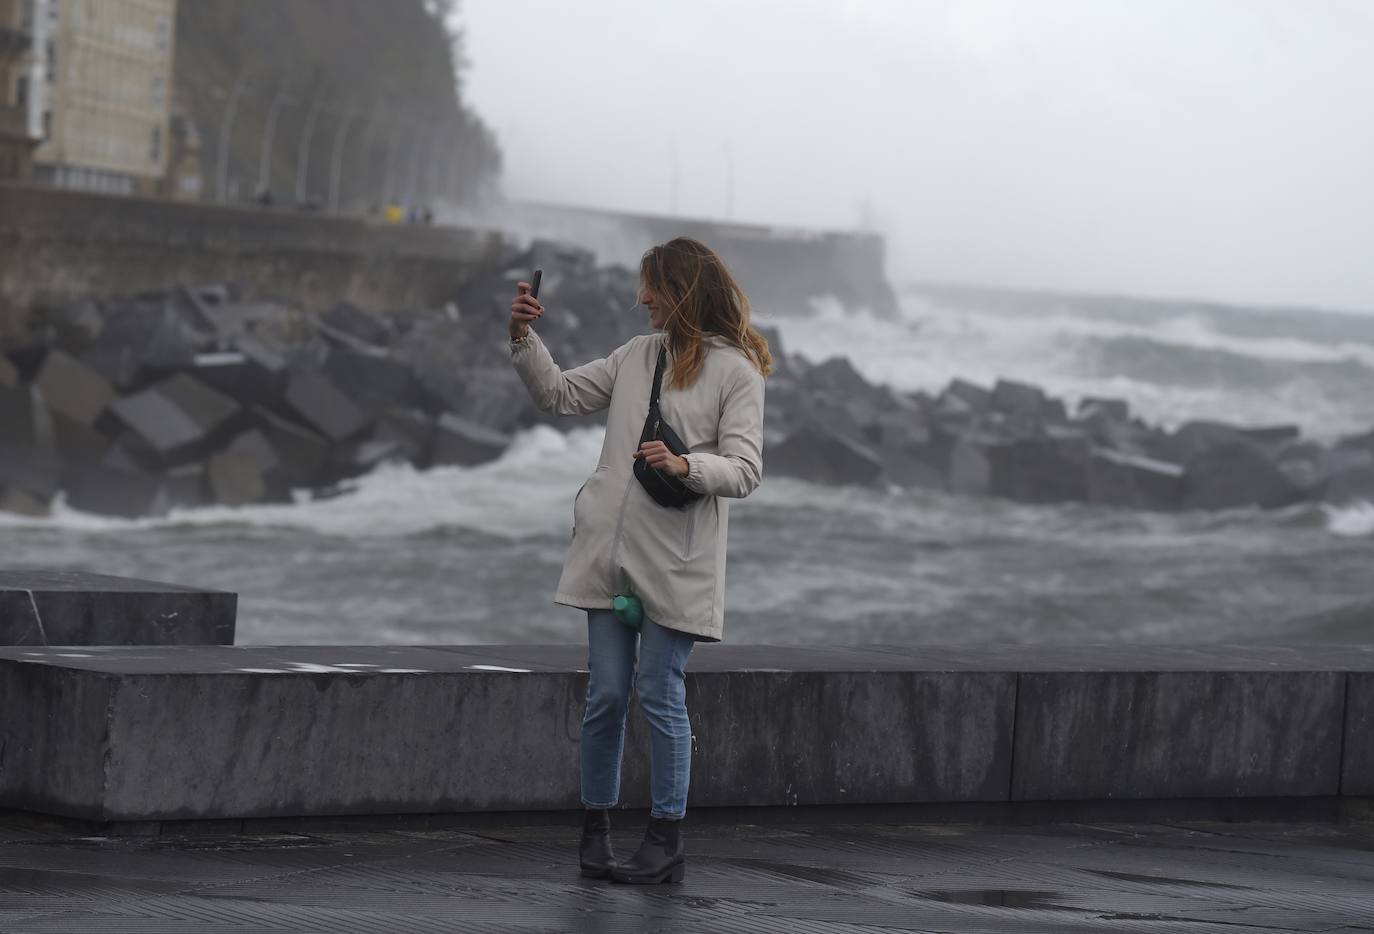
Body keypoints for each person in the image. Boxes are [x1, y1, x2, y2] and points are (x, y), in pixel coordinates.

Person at [507, 237, 771, 884]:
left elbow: (745, 470)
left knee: (658, 692)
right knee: (605, 697)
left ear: (681, 289)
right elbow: (560, 396)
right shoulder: (637, 355)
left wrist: (686, 464)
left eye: (651, 286)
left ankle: (665, 835)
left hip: (676, 561)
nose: (640, 297)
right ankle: (594, 829)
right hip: (608, 556)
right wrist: (522, 340)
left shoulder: (735, 371)